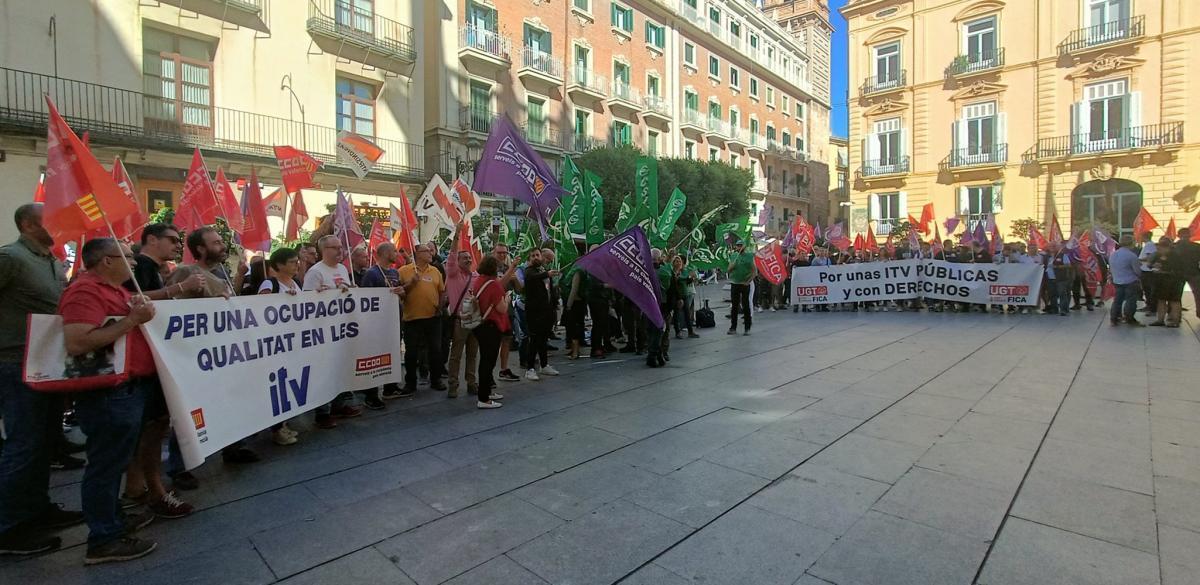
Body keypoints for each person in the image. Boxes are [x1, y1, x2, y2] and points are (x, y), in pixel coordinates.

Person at [60, 238, 159, 564]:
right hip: (108, 394)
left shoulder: (114, 290)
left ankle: (111, 519)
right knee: (104, 466)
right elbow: (77, 342)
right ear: (105, 260)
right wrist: (131, 321)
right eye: (127, 256)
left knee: (114, 462)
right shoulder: (85, 292)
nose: (134, 261)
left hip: (127, 390)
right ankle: (103, 539)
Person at [0, 203, 83, 556]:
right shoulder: (11, 258)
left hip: (46, 362)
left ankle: (36, 509)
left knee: (44, 443)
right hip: (15, 363)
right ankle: (8, 528)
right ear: (29, 224)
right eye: (51, 219)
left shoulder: (50, 260)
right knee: (23, 445)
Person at [165, 228, 262, 463]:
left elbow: (229, 301)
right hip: (196, 353)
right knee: (191, 409)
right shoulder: (186, 273)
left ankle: (234, 446)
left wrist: (238, 277)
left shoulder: (221, 272)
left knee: (231, 399)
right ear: (200, 248)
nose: (222, 246)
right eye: (216, 242)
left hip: (224, 351)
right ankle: (179, 466)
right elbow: (172, 310)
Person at [121, 223, 196, 519]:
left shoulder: (150, 268)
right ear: (151, 240)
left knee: (151, 426)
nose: (177, 246)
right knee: (152, 427)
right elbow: (133, 301)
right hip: (141, 364)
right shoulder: (141, 266)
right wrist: (178, 288)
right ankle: (153, 490)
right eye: (172, 240)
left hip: (149, 360)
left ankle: (139, 486)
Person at [301, 235, 362, 428]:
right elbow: (308, 302)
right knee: (324, 371)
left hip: (342, 329)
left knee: (340, 367)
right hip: (323, 331)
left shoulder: (343, 268)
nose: (339, 250)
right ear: (323, 250)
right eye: (334, 247)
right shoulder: (315, 272)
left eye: (340, 247)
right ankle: (322, 413)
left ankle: (339, 405)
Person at [258, 247, 306, 445]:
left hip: (292, 341)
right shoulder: (270, 284)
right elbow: (262, 308)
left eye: (297, 261)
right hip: (275, 343)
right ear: (279, 265)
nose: (297, 265)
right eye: (293, 262)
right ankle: (277, 429)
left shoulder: (294, 282)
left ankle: (284, 425)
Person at [361, 242, 409, 400]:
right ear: (385, 253)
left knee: (393, 354)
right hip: (378, 324)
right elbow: (365, 300)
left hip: (395, 320)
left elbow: (401, 293)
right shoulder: (372, 273)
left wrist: (401, 291)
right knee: (375, 357)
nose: (397, 254)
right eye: (394, 251)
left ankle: (390, 387)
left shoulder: (395, 273)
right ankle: (371, 394)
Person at [399, 243, 447, 393]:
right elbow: (399, 292)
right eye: (426, 251)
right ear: (417, 253)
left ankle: (436, 379)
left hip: (433, 317)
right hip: (412, 318)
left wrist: (440, 307)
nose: (430, 254)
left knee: (435, 350)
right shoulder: (404, 271)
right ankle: (410, 382)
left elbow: (442, 291)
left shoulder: (435, 271)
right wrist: (411, 283)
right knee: (412, 352)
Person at [472, 256, 517, 409]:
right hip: (491, 326)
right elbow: (502, 309)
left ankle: (487, 392)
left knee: (485, 359)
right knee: (488, 361)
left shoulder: (479, 281)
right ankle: (484, 398)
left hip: (480, 324)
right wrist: (507, 299)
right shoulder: (494, 285)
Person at [445, 236, 480, 399]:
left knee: (473, 354)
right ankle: (453, 385)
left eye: (469, 258)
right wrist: (457, 233)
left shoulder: (475, 276)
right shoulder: (452, 274)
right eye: (464, 258)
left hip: (475, 322)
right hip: (460, 321)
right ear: (457, 261)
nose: (468, 260)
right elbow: (452, 253)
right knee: (456, 355)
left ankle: (471, 383)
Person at [519, 248, 560, 381]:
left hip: (546, 311)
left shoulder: (543, 270)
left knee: (543, 339)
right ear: (529, 259)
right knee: (534, 340)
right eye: (533, 256)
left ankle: (544, 364)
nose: (536, 257)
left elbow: (550, 289)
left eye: (537, 255)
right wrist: (547, 274)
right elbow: (531, 278)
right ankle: (530, 368)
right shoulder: (529, 271)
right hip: (534, 313)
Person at [490, 243, 521, 382]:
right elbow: (498, 286)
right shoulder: (489, 268)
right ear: (493, 253)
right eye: (499, 253)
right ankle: (488, 373)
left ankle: (504, 369)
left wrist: (516, 280)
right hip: (494, 311)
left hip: (508, 310)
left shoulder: (508, 268)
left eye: (505, 253)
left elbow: (520, 290)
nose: (502, 255)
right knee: (493, 343)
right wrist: (510, 273)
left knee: (507, 340)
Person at [1108, 235, 1143, 326]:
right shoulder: (1131, 256)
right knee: (1130, 301)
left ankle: (1114, 318)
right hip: (1130, 281)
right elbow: (1137, 271)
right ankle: (1129, 318)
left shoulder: (1113, 254)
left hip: (1117, 280)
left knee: (1117, 300)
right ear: (1131, 243)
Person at [1149, 237, 1183, 327]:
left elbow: (1177, 269)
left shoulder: (1175, 256)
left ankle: (1175, 321)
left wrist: (1162, 269)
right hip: (1160, 281)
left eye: (1161, 247)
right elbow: (1150, 264)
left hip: (1173, 281)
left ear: (1168, 247)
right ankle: (1160, 320)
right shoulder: (1157, 255)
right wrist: (1153, 265)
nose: (1159, 249)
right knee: (1161, 300)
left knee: (1174, 301)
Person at [727, 240, 756, 335]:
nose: (739, 247)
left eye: (741, 245)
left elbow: (754, 272)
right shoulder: (734, 256)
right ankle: (733, 327)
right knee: (734, 306)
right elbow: (728, 270)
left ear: (744, 246)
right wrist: (732, 266)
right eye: (737, 245)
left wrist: (747, 282)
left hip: (744, 284)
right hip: (735, 283)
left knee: (745, 305)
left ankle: (747, 327)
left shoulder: (749, 256)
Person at [1174, 228, 1200, 312]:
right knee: (1198, 294)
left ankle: (1175, 315)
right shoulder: (1196, 246)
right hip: (1193, 272)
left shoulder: (1174, 247)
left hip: (1179, 273)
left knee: (1176, 296)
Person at [1138, 231, 1158, 316]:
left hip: (1148, 271)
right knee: (1146, 290)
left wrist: (1139, 260)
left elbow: (1150, 257)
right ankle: (1148, 305)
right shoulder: (1147, 245)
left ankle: (1152, 307)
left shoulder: (1149, 245)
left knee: (1149, 290)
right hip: (1145, 270)